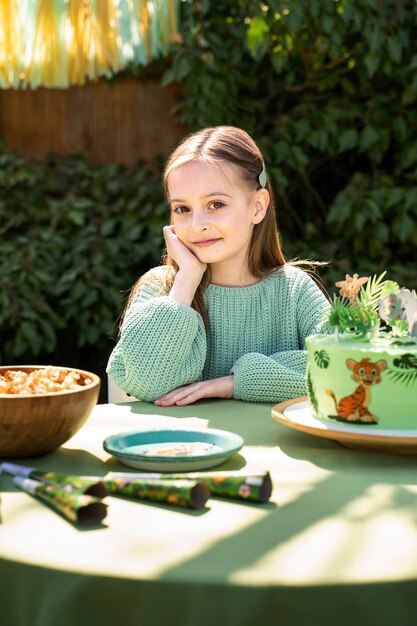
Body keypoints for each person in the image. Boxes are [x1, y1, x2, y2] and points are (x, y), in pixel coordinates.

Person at [107, 126, 330, 406]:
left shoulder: (294, 290)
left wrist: (235, 383)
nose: (198, 225)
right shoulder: (160, 288)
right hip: (183, 447)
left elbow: (341, 368)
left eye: (216, 204)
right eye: (182, 209)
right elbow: (146, 383)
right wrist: (186, 279)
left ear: (257, 207)